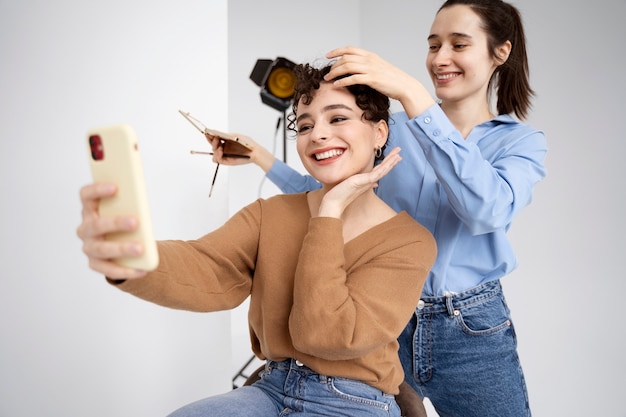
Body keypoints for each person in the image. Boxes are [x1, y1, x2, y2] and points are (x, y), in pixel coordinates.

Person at [211, 1, 547, 416]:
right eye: (434, 44)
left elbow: (486, 212)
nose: (441, 58)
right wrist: (262, 157)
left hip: (470, 329)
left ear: (500, 53)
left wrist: (413, 95)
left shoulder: (519, 143)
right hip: (379, 312)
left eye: (459, 44)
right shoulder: (393, 130)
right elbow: (329, 200)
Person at [76, 63, 437, 417]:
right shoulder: (271, 213)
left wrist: (329, 214)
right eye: (306, 124)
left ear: (379, 133)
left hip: (354, 401)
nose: (318, 134)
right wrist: (135, 258)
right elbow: (206, 265)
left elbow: (327, 335)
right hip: (270, 388)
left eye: (337, 118)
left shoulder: (410, 242)